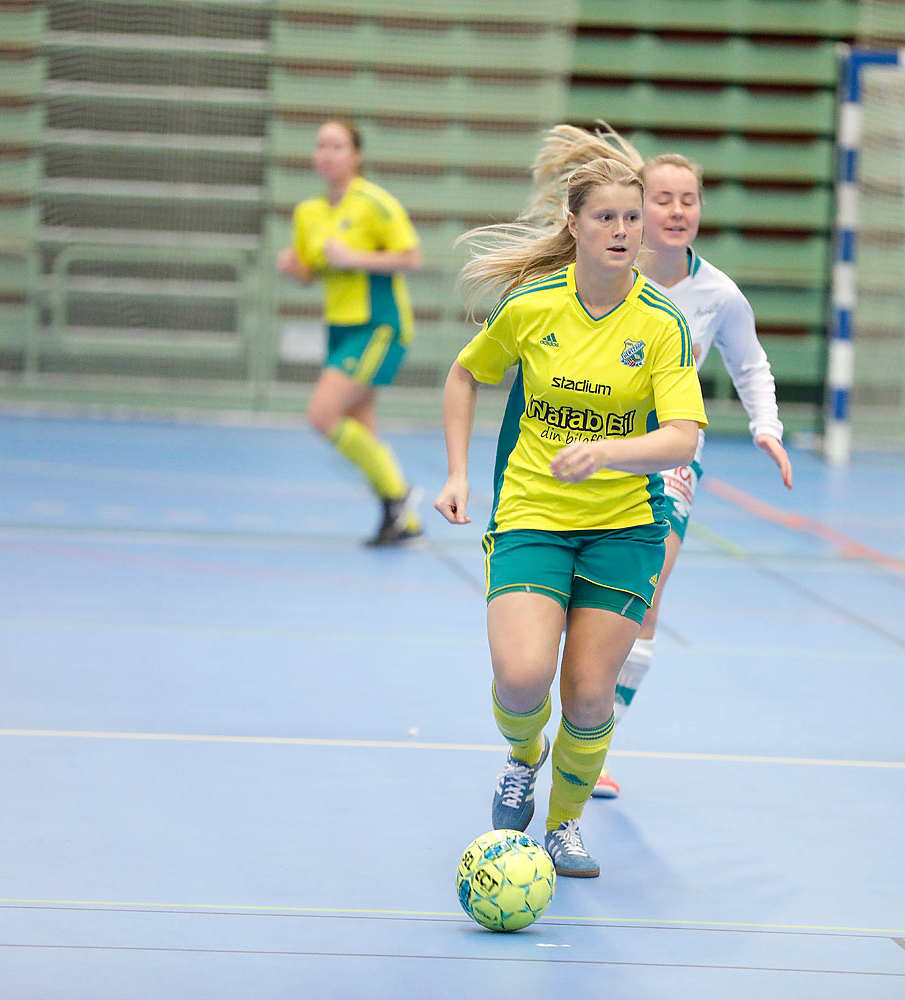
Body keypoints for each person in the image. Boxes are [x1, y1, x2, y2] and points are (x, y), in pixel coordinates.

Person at [434, 157, 707, 877]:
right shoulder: (533, 307)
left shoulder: (661, 323)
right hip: (534, 513)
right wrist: (459, 472)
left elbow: (682, 436)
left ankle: (563, 825)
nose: (623, 230)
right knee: (523, 677)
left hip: (625, 526)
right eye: (606, 217)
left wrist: (610, 453)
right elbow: (466, 372)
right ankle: (525, 756)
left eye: (631, 217)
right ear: (574, 225)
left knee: (588, 695)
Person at [519, 124, 793, 799]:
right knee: (566, 607)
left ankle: (593, 741)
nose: (676, 211)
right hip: (583, 448)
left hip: (665, 460)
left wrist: (767, 426)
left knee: (642, 599)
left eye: (689, 199)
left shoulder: (719, 296)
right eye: (663, 199)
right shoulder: (609, 269)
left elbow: (749, 363)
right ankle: (537, 711)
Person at [278, 119, 425, 545]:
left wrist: (353, 256)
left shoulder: (374, 203)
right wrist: (295, 270)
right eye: (320, 145)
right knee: (362, 426)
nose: (327, 153)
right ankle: (403, 522)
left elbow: (412, 258)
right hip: (339, 329)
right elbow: (312, 273)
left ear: (356, 154)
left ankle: (400, 495)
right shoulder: (308, 213)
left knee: (323, 415)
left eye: (337, 145)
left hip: (379, 326)